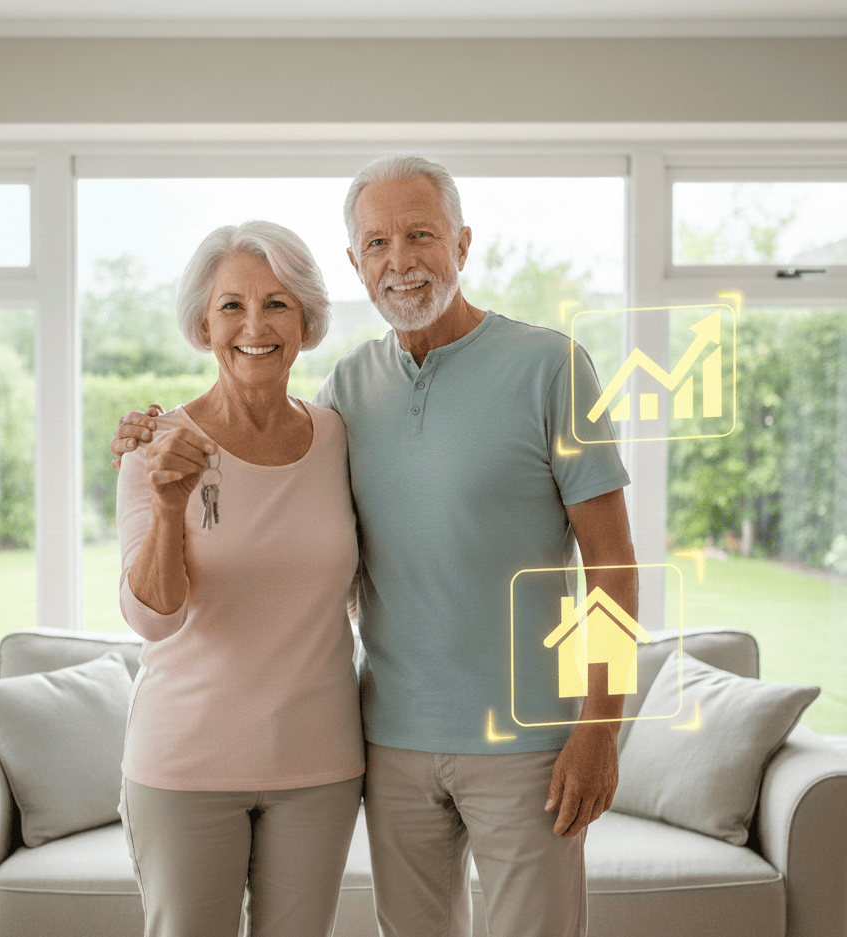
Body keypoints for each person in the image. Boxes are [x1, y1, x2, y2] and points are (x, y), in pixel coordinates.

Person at [112, 157, 638, 937]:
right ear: (356, 263)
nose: (401, 260)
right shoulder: (347, 394)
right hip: (389, 742)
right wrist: (142, 452)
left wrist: (599, 728)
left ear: (462, 242)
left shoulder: (550, 367)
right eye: (378, 242)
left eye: (420, 234)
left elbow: (614, 562)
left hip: (527, 743)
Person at [115, 219, 364, 937]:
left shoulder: (340, 438)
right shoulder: (155, 448)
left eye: (277, 303)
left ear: (308, 318)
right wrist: (167, 505)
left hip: (319, 763)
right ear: (203, 322)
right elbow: (153, 617)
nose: (255, 325)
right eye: (232, 305)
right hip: (184, 765)